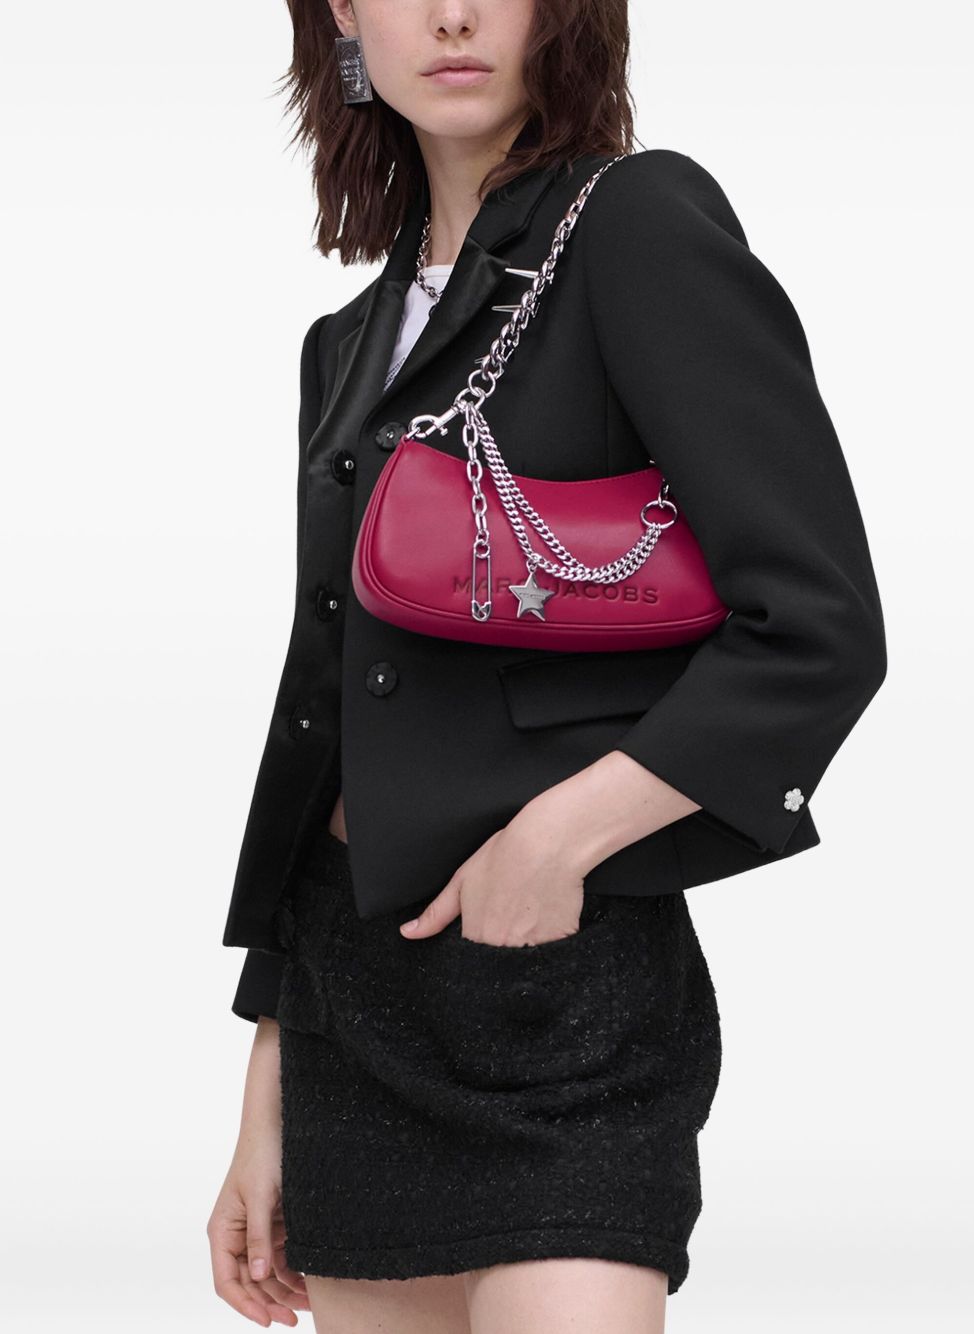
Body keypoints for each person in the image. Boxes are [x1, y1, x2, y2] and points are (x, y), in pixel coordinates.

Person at [206, 2, 888, 1331]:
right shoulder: (346, 343)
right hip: (350, 1004)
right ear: (342, 15)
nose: (453, 14)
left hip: (563, 993)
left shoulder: (635, 225)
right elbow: (323, 723)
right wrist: (268, 1074)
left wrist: (555, 841)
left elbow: (816, 626)